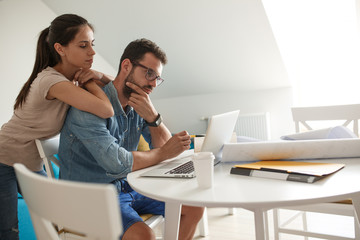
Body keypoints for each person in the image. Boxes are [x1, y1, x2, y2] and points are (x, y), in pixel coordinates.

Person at [59, 38, 204, 240]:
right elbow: (119, 163)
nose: (153, 83)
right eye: (149, 73)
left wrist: (153, 117)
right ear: (126, 66)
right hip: (93, 196)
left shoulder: (139, 104)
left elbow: (165, 147)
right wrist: (163, 153)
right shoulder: (89, 107)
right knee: (144, 235)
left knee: (194, 207)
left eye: (157, 78)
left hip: (129, 186)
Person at [0, 14, 115, 240]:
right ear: (60, 49)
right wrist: (91, 82)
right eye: (83, 46)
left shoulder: (68, 78)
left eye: (92, 44)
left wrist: (98, 74)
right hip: (4, 159)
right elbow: (107, 109)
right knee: (8, 230)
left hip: (31, 162)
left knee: (56, 222)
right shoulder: (53, 82)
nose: (91, 52)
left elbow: (119, 88)